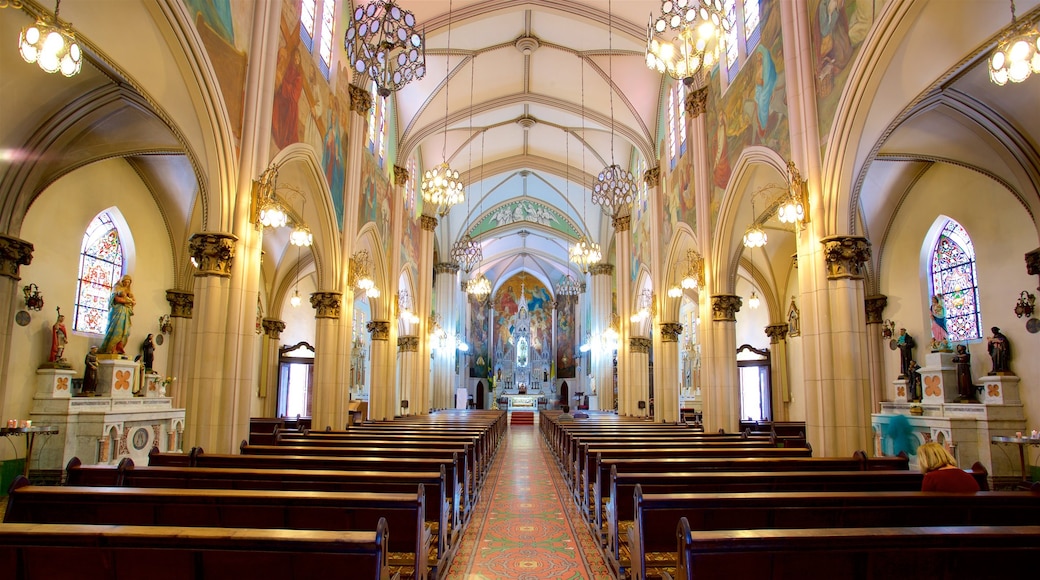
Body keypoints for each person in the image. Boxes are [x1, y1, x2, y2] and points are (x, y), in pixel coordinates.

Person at [99, 275, 135, 355]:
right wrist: (128, 301)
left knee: (125, 332)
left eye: (128, 282)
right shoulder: (117, 288)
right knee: (117, 329)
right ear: (122, 281)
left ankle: (119, 349)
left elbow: (134, 301)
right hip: (117, 311)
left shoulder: (128, 291)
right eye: (125, 282)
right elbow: (116, 299)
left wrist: (131, 302)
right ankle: (111, 348)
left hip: (125, 312)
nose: (126, 284)